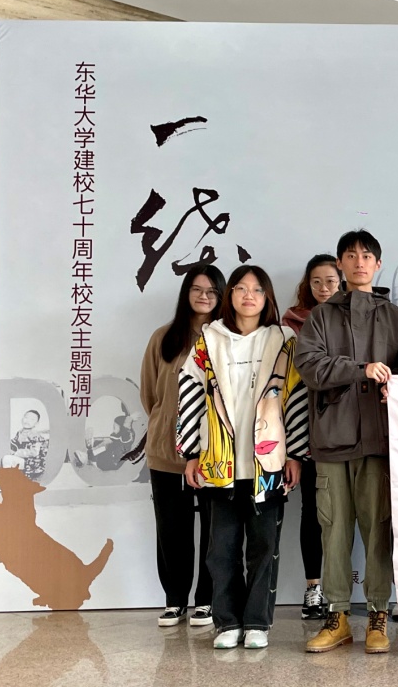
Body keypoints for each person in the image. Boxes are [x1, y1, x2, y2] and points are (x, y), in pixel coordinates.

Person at [296, 230, 398, 656]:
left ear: (378, 265)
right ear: (340, 264)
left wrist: (393, 387)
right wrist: (359, 369)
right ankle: (338, 616)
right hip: (332, 440)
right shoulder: (320, 317)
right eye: (351, 255)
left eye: (367, 256)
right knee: (333, 531)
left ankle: (379, 613)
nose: (359, 262)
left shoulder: (396, 317)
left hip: (380, 442)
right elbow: (310, 366)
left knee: (379, 528)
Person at [177, 265, 309, 650]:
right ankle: (227, 622)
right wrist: (190, 453)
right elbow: (189, 392)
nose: (249, 296)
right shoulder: (209, 339)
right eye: (240, 288)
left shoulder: (283, 340)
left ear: (268, 297)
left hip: (268, 464)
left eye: (257, 290)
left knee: (264, 547)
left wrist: (296, 454)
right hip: (219, 462)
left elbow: (296, 397)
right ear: (230, 295)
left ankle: (257, 623)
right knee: (221, 549)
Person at [139, 264, 224, 628]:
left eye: (212, 291)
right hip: (166, 453)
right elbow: (150, 394)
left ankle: (206, 599)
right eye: (197, 289)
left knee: (214, 529)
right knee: (171, 529)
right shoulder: (164, 337)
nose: (204, 296)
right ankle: (175, 599)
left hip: (213, 453)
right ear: (186, 292)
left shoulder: (225, 337)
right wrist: (168, 427)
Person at [283, 253, 339, 620]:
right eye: (316, 281)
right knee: (311, 512)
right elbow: (285, 385)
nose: (323, 288)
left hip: (346, 427)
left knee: (346, 512)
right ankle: (313, 589)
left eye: (330, 281)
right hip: (305, 427)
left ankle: (343, 590)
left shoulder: (353, 321)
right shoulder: (292, 324)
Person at [1, 409, 49, 480]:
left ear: (36, 423)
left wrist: (16, 453)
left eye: (32, 419)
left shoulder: (35, 435)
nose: (27, 421)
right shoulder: (20, 432)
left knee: (7, 459)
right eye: (26, 417)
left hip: (32, 463)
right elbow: (14, 442)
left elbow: (34, 452)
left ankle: (8, 482)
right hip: (23, 459)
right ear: (22, 419)